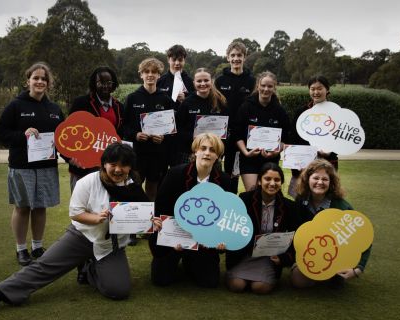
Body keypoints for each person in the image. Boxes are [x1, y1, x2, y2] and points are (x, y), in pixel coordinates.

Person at [0, 143, 162, 310]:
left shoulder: (133, 186)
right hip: (82, 235)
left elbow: (144, 216)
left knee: (119, 290)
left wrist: (152, 222)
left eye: (124, 165)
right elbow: (75, 213)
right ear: (104, 163)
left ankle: (89, 268)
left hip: (110, 246)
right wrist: (95, 218)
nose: (118, 170)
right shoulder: (88, 182)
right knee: (45, 265)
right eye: (113, 164)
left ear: (130, 167)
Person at [0, 62, 64, 266]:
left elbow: (63, 138)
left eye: (44, 78)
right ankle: (21, 249)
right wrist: (22, 135)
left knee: (41, 207)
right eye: (36, 78)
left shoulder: (54, 109)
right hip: (22, 167)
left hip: (46, 166)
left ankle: (37, 246)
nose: (40, 81)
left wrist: (73, 158)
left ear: (48, 83)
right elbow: (1, 132)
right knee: (23, 207)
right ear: (28, 81)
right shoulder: (16, 105)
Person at [149, 133, 231, 288]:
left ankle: (191, 261)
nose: (207, 153)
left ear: (218, 156)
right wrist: (170, 237)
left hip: (203, 243)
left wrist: (219, 239)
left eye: (212, 150)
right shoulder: (175, 174)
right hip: (175, 238)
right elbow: (161, 207)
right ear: (195, 151)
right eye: (203, 148)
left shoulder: (224, 181)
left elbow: (224, 216)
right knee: (161, 280)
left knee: (210, 283)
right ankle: (175, 260)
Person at [290, 159, 371, 289]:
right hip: (311, 254)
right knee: (299, 282)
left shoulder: (341, 207)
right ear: (307, 179)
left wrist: (358, 268)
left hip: (336, 256)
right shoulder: (301, 201)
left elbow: (363, 236)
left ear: (331, 182)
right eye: (316, 178)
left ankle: (331, 276)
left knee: (334, 283)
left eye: (325, 179)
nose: (320, 182)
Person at [226, 163, 300, 294]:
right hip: (246, 254)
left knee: (259, 288)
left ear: (281, 182)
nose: (272, 183)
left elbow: (295, 236)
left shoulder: (289, 206)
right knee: (236, 286)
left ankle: (264, 277)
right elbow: (233, 228)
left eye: (277, 180)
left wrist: (283, 259)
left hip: (270, 258)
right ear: (259, 181)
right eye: (267, 179)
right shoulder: (245, 199)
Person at [122, 57, 174, 201]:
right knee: (133, 188)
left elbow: (172, 129)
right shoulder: (132, 98)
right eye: (147, 71)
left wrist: (164, 137)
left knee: (153, 191)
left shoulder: (166, 99)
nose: (150, 74)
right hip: (137, 154)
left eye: (154, 72)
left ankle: (150, 221)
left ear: (159, 75)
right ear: (141, 74)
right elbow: (123, 127)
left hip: (158, 155)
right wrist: (135, 134)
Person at [67, 66, 124, 191]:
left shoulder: (119, 106)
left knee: (105, 207)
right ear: (94, 83)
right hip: (83, 167)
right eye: (101, 82)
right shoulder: (81, 103)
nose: (105, 86)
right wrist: (70, 158)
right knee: (81, 206)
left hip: (110, 168)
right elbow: (67, 132)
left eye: (109, 82)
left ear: (113, 83)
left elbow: (122, 134)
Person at [235, 71, 290, 192]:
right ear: (258, 86)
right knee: (253, 193)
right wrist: (246, 152)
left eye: (270, 86)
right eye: (263, 85)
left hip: (270, 161)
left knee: (269, 195)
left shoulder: (280, 111)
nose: (266, 89)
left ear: (274, 88)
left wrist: (275, 152)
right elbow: (237, 134)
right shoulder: (246, 107)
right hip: (249, 159)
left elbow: (286, 138)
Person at [215, 41, 256, 193]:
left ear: (244, 57)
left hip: (242, 134)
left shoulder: (252, 81)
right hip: (222, 133)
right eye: (233, 55)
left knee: (235, 172)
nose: (236, 59)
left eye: (239, 55)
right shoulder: (220, 81)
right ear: (227, 57)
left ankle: (233, 201)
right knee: (219, 171)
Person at [288, 75, 338, 197]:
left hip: (326, 163)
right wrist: (296, 162)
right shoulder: (301, 111)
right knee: (300, 200)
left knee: (325, 200)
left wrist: (329, 152)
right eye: (312, 88)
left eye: (319, 88)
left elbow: (340, 139)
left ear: (327, 90)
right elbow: (293, 138)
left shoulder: (337, 113)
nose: (316, 92)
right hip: (302, 165)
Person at [175, 68, 228, 164]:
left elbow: (226, 128)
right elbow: (179, 129)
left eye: (206, 80)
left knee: (211, 179)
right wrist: (197, 138)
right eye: (199, 81)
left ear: (211, 81)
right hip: (190, 153)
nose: (203, 84)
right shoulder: (187, 102)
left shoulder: (220, 102)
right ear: (194, 82)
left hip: (212, 153)